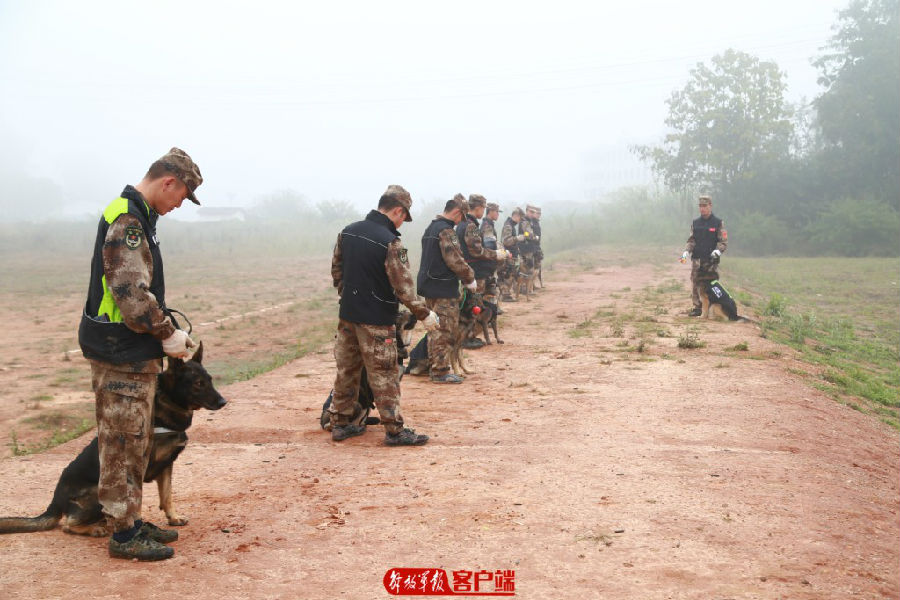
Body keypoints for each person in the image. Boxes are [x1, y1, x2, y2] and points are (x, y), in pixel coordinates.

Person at [77, 147, 202, 561]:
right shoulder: (129, 220)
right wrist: (167, 333)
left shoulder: (138, 217)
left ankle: (130, 520)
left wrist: (164, 332)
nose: (180, 203)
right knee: (121, 443)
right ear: (168, 181)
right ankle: (124, 535)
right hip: (120, 350)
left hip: (129, 349)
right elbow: (130, 293)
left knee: (135, 442)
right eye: (183, 194)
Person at [329, 185, 440, 445]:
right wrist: (423, 313)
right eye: (404, 217)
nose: (403, 222)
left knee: (347, 370)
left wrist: (349, 296)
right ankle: (395, 430)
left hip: (348, 315)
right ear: (398, 211)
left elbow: (337, 270)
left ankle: (341, 423)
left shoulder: (348, 231)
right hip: (377, 321)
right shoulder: (391, 242)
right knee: (385, 373)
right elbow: (403, 285)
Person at [416, 194, 475, 384]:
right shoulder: (446, 231)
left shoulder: (431, 228)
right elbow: (455, 259)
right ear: (457, 212)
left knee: (434, 329)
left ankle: (433, 366)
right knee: (445, 331)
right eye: (461, 218)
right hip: (443, 288)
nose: (460, 223)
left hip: (429, 286)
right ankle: (440, 371)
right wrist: (469, 278)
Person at [456, 195, 508, 346]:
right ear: (478, 207)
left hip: (467, 270)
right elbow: (476, 251)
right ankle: (467, 337)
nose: (483, 211)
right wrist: (496, 254)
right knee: (474, 305)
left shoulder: (461, 224)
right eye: (483, 208)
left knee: (469, 304)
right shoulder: (470, 226)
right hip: (475, 272)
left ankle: (467, 336)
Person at [681, 194, 728, 316]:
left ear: (710, 206)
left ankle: (712, 307)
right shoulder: (696, 223)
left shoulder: (718, 223)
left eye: (704, 206)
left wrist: (718, 251)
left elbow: (723, 242)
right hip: (697, 259)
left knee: (710, 285)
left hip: (711, 261)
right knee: (695, 282)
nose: (702, 209)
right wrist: (686, 251)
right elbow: (691, 240)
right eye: (700, 206)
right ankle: (697, 307)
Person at [498, 207, 523, 301]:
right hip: (508, 254)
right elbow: (506, 241)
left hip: (512, 254)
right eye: (520, 218)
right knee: (507, 275)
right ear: (516, 216)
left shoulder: (511, 226)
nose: (520, 220)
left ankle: (506, 294)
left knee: (510, 274)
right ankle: (505, 295)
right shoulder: (508, 226)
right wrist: (517, 238)